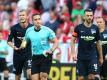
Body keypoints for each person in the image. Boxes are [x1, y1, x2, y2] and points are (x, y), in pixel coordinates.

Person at [20, 13, 58, 80]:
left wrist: (51, 50)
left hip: (46, 56)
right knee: (34, 78)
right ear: (32, 21)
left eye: (39, 19)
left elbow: (56, 41)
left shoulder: (47, 30)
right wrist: (22, 45)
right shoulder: (29, 31)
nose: (38, 21)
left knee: (43, 76)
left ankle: (46, 77)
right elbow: (24, 42)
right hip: (35, 57)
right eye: (35, 19)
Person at [71, 9, 103, 80]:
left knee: (92, 77)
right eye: (87, 15)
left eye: (91, 15)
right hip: (81, 57)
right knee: (80, 78)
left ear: (93, 17)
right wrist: (73, 53)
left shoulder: (96, 28)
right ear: (84, 17)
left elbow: (98, 43)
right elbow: (72, 40)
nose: (89, 17)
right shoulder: (78, 28)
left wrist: (100, 57)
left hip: (92, 57)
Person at [7, 9, 33, 80]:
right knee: (17, 76)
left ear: (27, 16)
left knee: (30, 74)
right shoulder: (14, 28)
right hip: (17, 55)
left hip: (28, 54)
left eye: (23, 15)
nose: (21, 17)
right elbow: (9, 41)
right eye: (20, 15)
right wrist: (13, 46)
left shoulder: (32, 28)